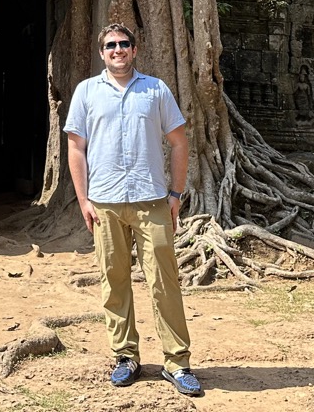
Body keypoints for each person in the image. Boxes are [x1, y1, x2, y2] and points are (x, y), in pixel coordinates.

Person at [64, 23, 204, 398]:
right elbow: (75, 148)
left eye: (124, 44)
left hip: (151, 200)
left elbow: (178, 142)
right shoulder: (86, 92)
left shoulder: (155, 90)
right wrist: (83, 199)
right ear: (102, 53)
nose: (118, 50)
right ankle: (125, 357)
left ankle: (177, 362)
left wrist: (176, 192)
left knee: (164, 281)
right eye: (111, 45)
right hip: (105, 203)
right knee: (115, 281)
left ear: (135, 49)